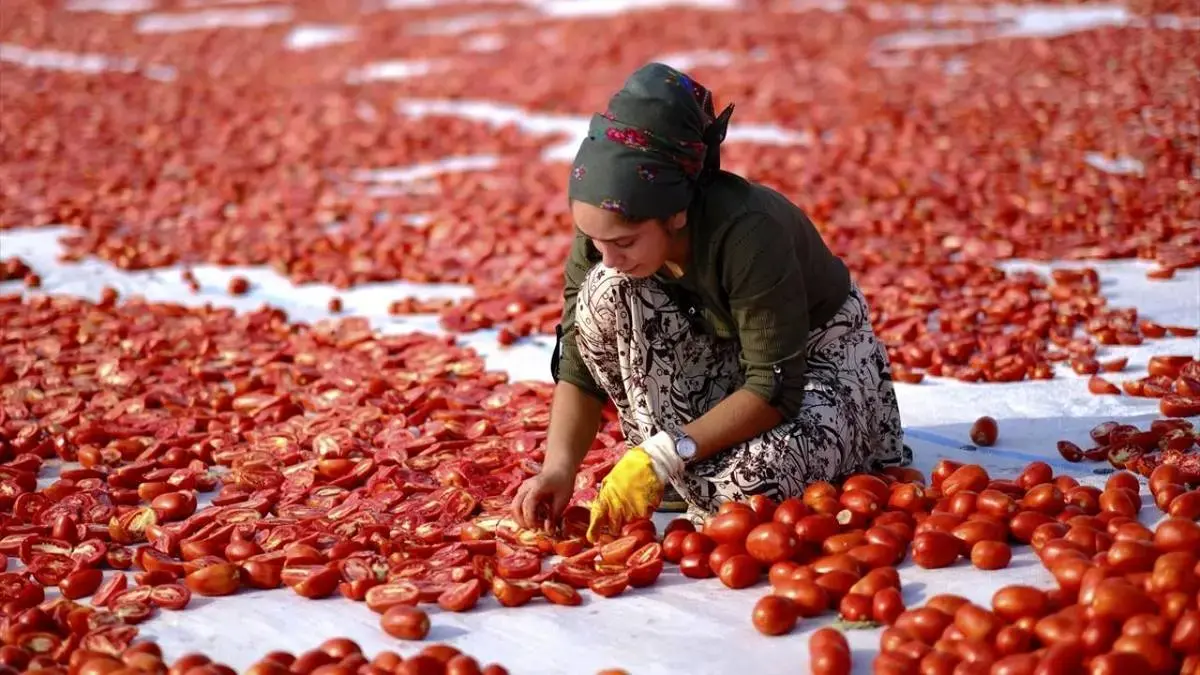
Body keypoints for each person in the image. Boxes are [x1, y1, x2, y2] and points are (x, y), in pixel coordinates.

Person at [510, 62, 911, 541]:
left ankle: (680, 456)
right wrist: (559, 470)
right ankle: (684, 456)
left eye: (626, 242)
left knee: (754, 490)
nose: (608, 254)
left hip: (810, 361)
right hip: (724, 360)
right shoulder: (605, 231)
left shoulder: (748, 234)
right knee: (604, 292)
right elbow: (576, 360)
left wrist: (659, 455)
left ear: (675, 213)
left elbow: (773, 386)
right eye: (595, 239)